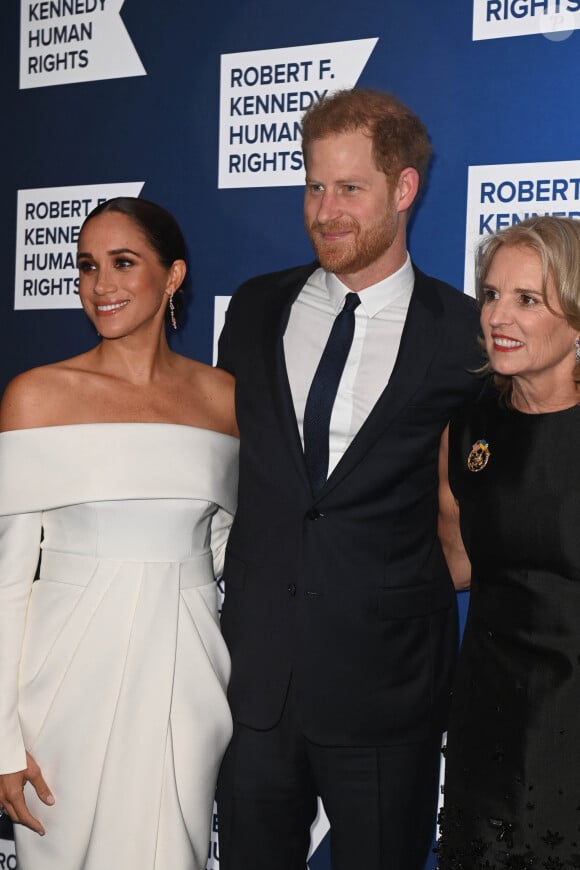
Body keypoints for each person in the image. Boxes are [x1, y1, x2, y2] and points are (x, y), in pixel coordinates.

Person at [216, 87, 482, 870]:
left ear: (403, 190)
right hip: (255, 687)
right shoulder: (257, 309)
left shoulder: (463, 332)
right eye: (313, 185)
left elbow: (481, 498)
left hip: (387, 692)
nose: (325, 210)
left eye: (350, 188)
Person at [0, 196, 239, 870]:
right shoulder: (37, 397)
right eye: (86, 266)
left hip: (186, 681)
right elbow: (7, 582)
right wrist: (1, 743)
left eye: (123, 263)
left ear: (173, 277)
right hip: (68, 683)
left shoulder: (224, 400)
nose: (100, 285)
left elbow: (224, 548)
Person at [437, 215, 580, 867]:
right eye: (491, 294)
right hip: (487, 729)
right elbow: (457, 567)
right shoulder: (468, 428)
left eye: (527, 299)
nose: (499, 315)